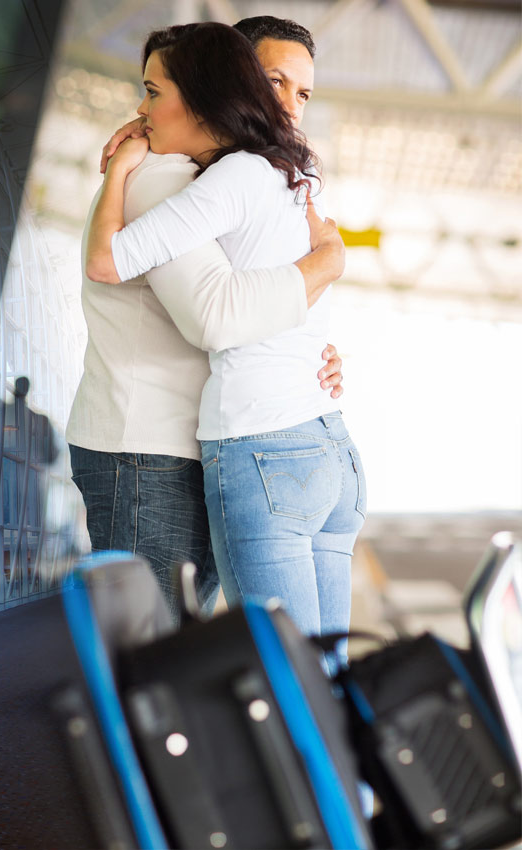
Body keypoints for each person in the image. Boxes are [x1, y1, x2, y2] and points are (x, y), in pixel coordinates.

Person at [85, 22, 366, 641]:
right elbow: (221, 316)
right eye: (273, 82)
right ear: (229, 82)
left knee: (243, 665)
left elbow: (254, 296)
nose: (289, 106)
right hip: (155, 446)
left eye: (303, 94)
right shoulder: (173, 178)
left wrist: (313, 348)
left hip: (244, 438)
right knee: (178, 659)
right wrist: (328, 263)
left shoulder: (252, 175)